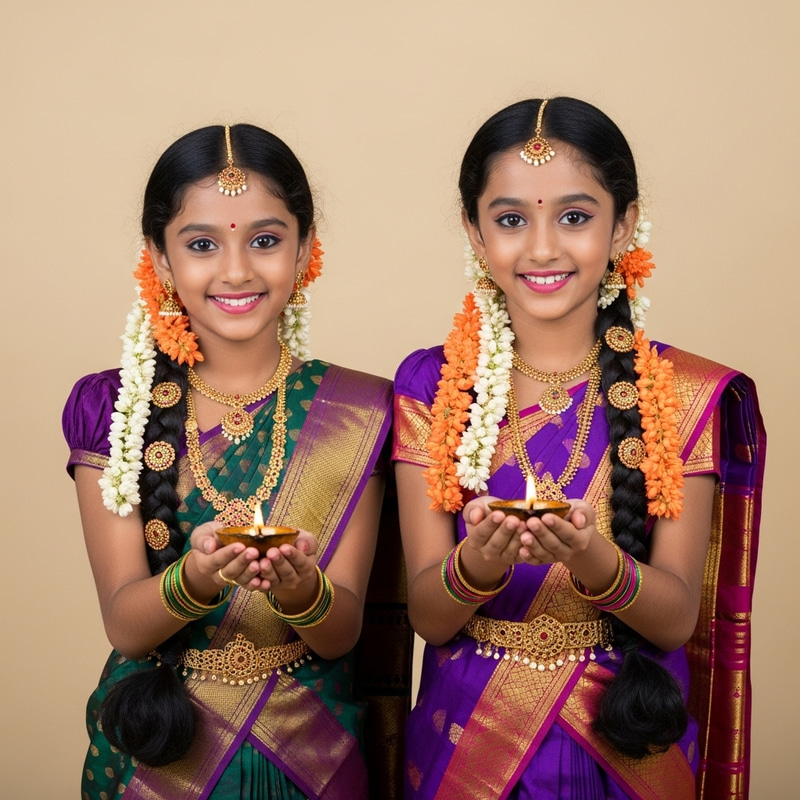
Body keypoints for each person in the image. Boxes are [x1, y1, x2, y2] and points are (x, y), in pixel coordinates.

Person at [392, 97, 765, 799]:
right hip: (466, 741)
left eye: (574, 216)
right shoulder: (434, 385)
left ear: (623, 224)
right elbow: (427, 615)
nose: (541, 248)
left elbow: (677, 617)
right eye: (510, 220)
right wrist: (477, 561)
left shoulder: (679, 396)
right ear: (474, 232)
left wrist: (591, 556)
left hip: (626, 742)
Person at [63, 123, 395, 800]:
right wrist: (199, 576)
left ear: (305, 252)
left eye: (265, 241)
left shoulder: (363, 411)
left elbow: (342, 635)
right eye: (202, 244)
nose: (237, 269)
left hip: (312, 753)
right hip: (157, 751)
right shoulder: (111, 407)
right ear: (159, 259)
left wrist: (301, 586)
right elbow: (126, 624)